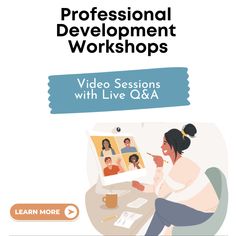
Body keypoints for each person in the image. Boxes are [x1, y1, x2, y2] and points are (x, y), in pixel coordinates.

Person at [132, 124, 219, 236]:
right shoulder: (182, 163)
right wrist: (142, 187)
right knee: (161, 212)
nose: (161, 147)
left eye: (164, 143)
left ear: (173, 145)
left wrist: (159, 166)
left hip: (204, 215)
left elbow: (161, 193)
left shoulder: (182, 167)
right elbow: (163, 187)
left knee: (160, 204)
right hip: (201, 210)